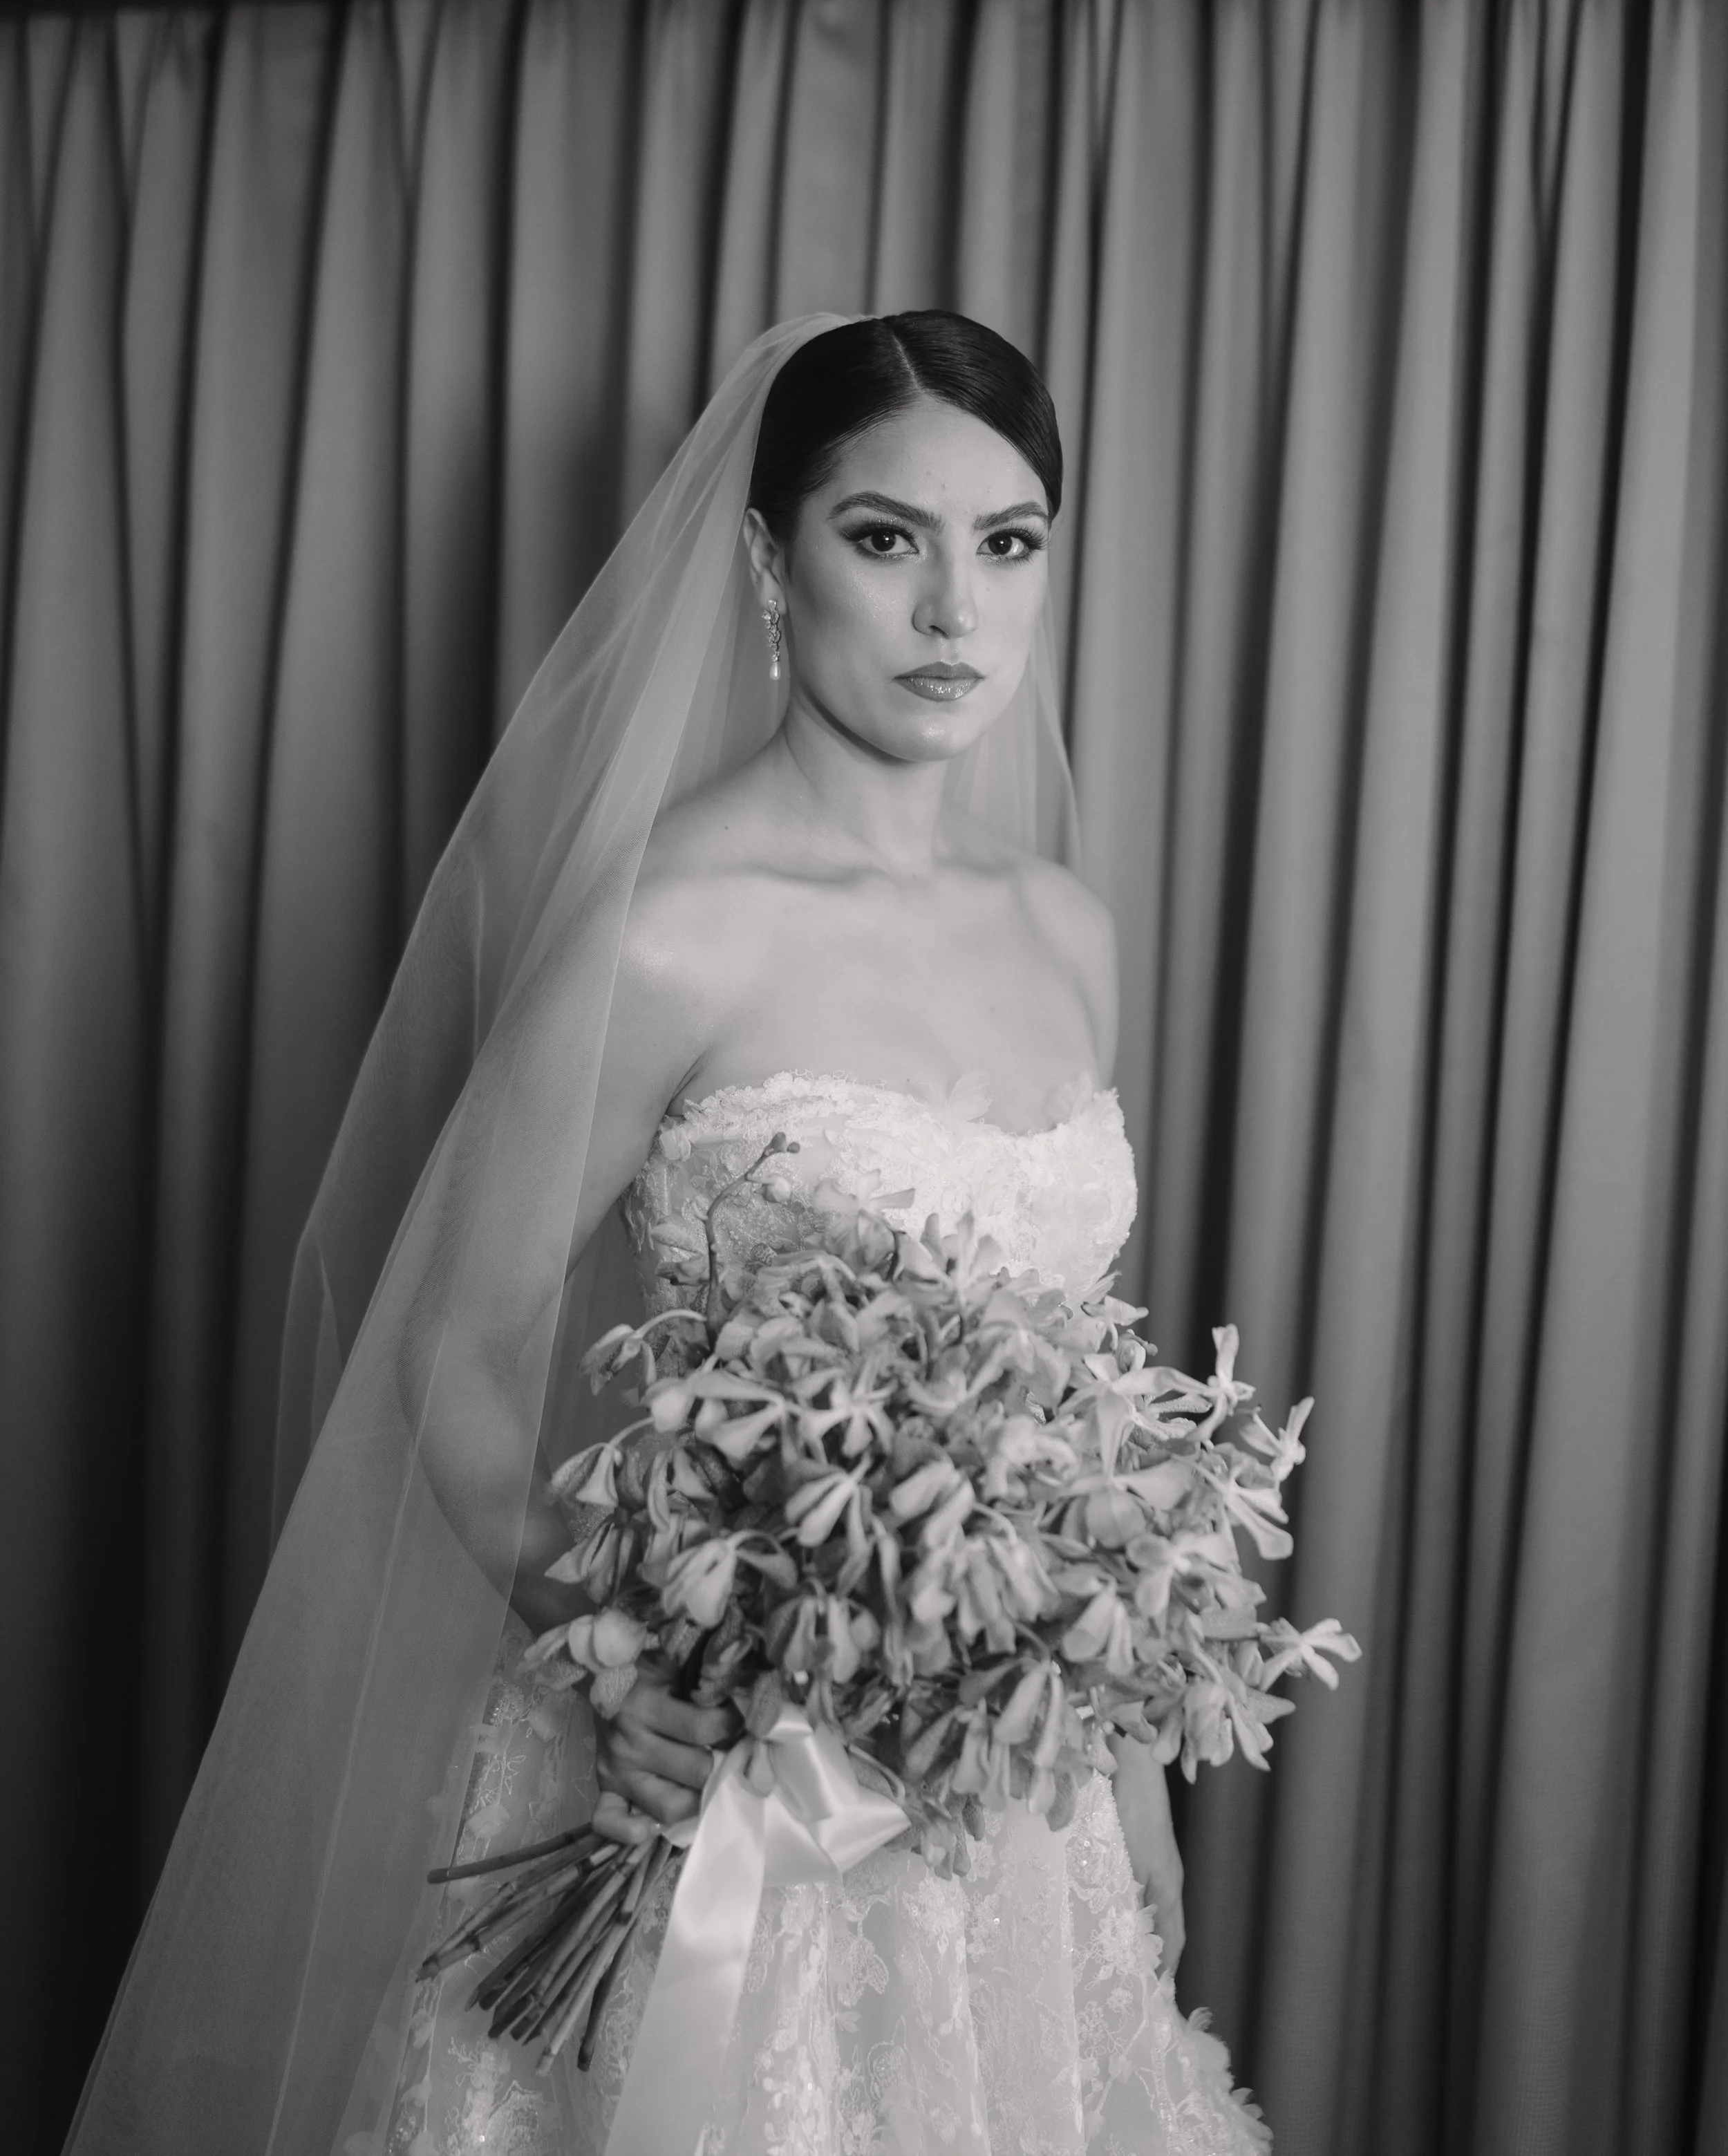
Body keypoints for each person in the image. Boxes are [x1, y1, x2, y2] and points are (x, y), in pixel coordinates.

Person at [66, 315, 1266, 2156]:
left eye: (1007, 541)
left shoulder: (1065, 931)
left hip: (1013, 1819)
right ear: (771, 562)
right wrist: (624, 1647)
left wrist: (1125, 1786)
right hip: (727, 1789)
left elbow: (1071, 1402)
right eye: (886, 537)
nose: (955, 607)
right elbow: (450, 1343)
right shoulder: (670, 927)